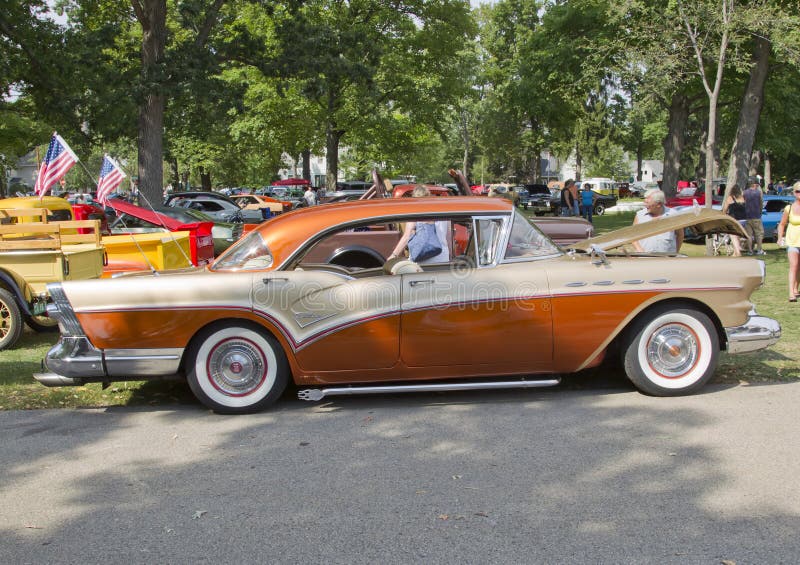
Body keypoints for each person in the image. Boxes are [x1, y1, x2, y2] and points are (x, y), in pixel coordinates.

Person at [387, 185, 449, 264]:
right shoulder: (443, 213)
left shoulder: (416, 213)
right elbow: (448, 239)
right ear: (429, 196)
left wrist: (394, 255)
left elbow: (407, 236)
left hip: (423, 260)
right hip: (442, 258)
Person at [632, 188, 684, 253]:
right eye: (645, 202)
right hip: (644, 258)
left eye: (648, 203)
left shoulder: (673, 215)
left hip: (667, 259)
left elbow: (680, 235)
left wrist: (675, 252)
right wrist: (640, 251)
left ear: (659, 204)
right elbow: (632, 236)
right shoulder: (640, 215)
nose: (645, 205)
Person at [776, 181, 800, 302]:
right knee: (793, 266)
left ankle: (796, 288)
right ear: (794, 193)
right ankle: (791, 293)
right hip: (793, 241)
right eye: (797, 191)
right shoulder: (788, 208)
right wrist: (780, 238)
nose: (799, 193)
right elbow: (782, 224)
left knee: (799, 267)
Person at [722, 184, 746, 256]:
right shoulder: (743, 198)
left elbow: (725, 210)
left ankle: (738, 252)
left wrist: (724, 214)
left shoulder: (730, 198)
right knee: (737, 236)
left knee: (733, 236)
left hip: (735, 220)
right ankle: (735, 253)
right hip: (744, 220)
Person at [743, 179, 765, 255]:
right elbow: (761, 203)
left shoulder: (744, 193)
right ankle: (759, 250)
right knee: (759, 234)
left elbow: (743, 203)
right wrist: (760, 211)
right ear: (755, 185)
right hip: (756, 216)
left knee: (749, 235)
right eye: (757, 185)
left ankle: (750, 251)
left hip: (747, 216)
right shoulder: (758, 193)